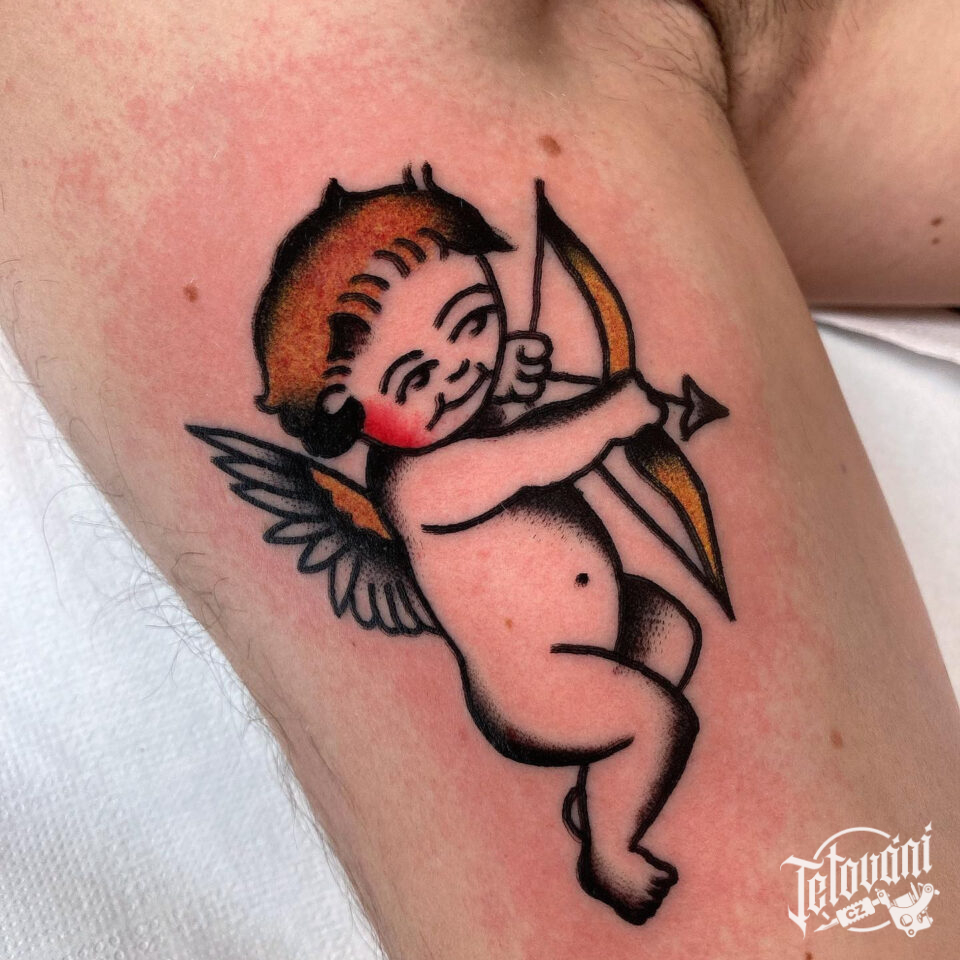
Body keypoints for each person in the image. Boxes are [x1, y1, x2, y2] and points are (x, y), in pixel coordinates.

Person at [2, 1, 958, 956]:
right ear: (349, 417)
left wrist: (525, 381)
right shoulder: (423, 487)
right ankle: (613, 850)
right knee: (653, 715)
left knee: (668, 633)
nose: (461, 370)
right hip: (540, 685)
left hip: (605, 622)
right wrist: (615, 412)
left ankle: (604, 794)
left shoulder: (465, 410)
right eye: (414, 378)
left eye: (471, 321)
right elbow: (535, 459)